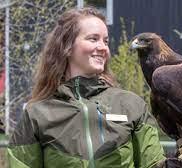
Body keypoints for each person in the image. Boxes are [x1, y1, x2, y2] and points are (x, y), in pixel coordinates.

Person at [7, 7, 167, 168]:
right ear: (67, 46)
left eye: (105, 41)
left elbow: (153, 164)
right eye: (93, 39)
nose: (103, 47)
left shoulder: (131, 105)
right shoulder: (37, 114)